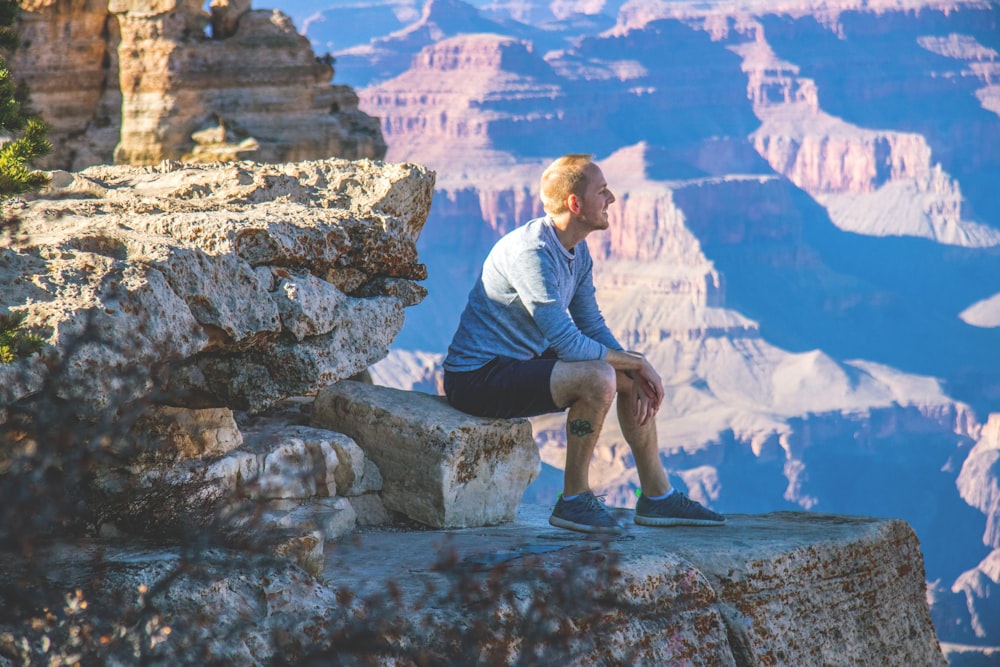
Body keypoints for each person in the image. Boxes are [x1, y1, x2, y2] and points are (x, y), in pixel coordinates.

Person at [443, 154, 726, 534]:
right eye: (602, 191)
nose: (611, 198)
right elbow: (567, 341)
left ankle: (657, 496)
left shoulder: (577, 251)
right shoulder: (533, 253)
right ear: (575, 204)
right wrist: (634, 361)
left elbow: (590, 323)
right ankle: (574, 500)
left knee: (626, 380)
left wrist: (633, 367)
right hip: (478, 376)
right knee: (599, 378)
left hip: (517, 360)